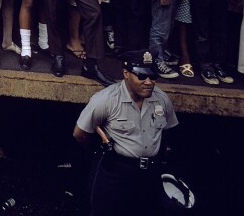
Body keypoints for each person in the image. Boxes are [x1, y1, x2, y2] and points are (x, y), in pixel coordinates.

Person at [73, 49, 178, 216]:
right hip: (115, 172)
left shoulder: (161, 99)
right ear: (126, 73)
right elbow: (80, 133)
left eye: (153, 77)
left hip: (150, 173)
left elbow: (169, 131)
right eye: (142, 76)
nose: (149, 82)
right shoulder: (106, 100)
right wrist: (98, 151)